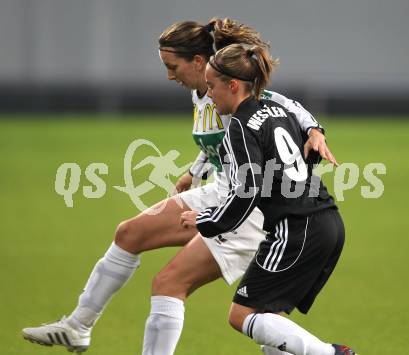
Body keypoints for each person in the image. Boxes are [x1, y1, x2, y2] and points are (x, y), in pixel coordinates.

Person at [22, 19, 335, 355]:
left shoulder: (231, 91)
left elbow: (283, 106)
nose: (170, 75)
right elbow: (221, 142)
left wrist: (315, 130)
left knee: (171, 284)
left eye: (173, 67)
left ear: (198, 63)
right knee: (130, 234)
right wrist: (195, 168)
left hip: (246, 206)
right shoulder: (203, 92)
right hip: (223, 189)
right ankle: (78, 326)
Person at [180, 43, 356, 355]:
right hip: (326, 221)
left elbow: (248, 190)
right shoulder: (277, 110)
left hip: (297, 229)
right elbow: (302, 159)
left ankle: (332, 354)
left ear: (232, 85)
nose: (209, 95)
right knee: (272, 323)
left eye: (211, 86)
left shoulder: (240, 126)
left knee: (242, 315)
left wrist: (206, 220)